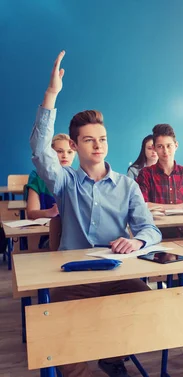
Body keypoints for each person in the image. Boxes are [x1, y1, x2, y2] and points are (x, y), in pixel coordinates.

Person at [30, 51, 162, 377]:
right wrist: (51, 95)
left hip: (117, 273)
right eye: (89, 140)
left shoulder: (127, 186)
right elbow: (38, 150)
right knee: (58, 332)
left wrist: (138, 243)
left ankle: (113, 355)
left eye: (102, 139)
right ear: (75, 147)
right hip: (74, 278)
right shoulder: (65, 182)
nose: (98, 145)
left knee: (159, 309)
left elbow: (150, 229)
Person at [136, 124, 183, 213]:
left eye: (169, 146)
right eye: (160, 146)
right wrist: (179, 207)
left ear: (176, 145)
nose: (165, 151)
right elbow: (142, 204)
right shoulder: (145, 174)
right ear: (154, 148)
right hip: (157, 226)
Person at [25, 133, 76, 248]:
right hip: (49, 236)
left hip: (74, 236)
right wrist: (51, 212)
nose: (65, 156)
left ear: (75, 154)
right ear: (50, 154)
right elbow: (31, 212)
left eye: (69, 152)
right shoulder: (37, 177)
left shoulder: (78, 178)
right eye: (59, 151)